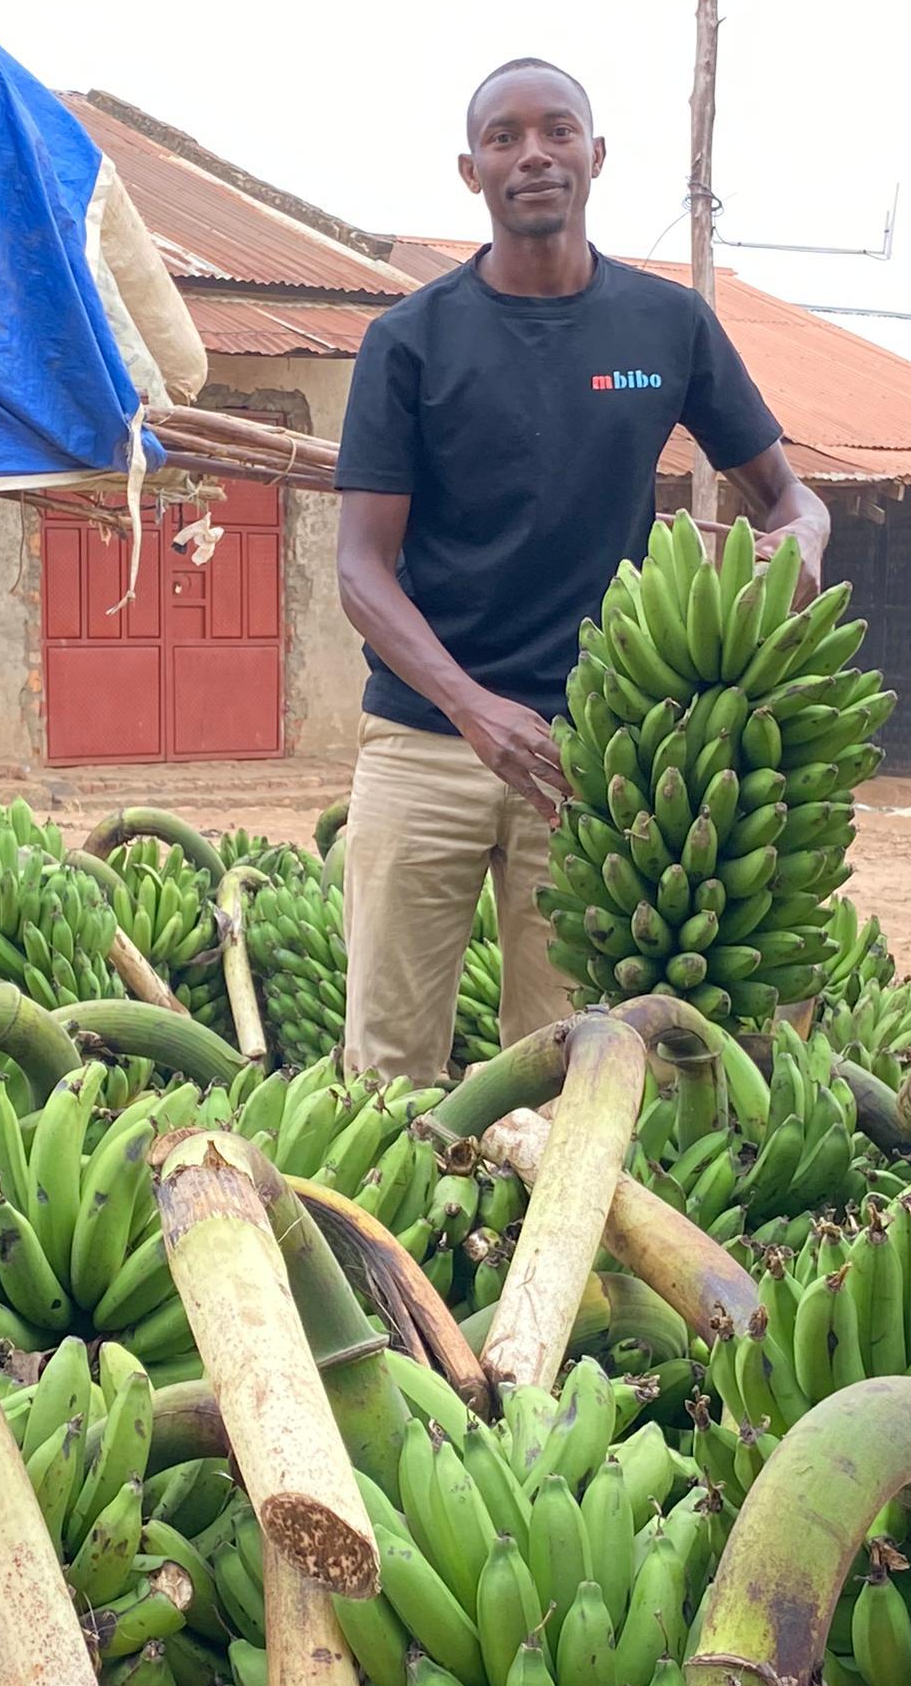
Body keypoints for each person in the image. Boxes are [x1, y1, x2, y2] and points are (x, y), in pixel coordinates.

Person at [333, 57, 830, 1083]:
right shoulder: (410, 341)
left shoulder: (665, 327)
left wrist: (806, 541)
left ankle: (545, 1240)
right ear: (472, 171)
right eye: (505, 139)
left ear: (595, 155)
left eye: (556, 131)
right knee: (388, 1064)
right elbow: (361, 569)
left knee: (568, 1063)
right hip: (426, 741)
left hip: (595, 758)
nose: (533, 155)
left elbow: (789, 493)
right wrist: (473, 709)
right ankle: (389, 1242)